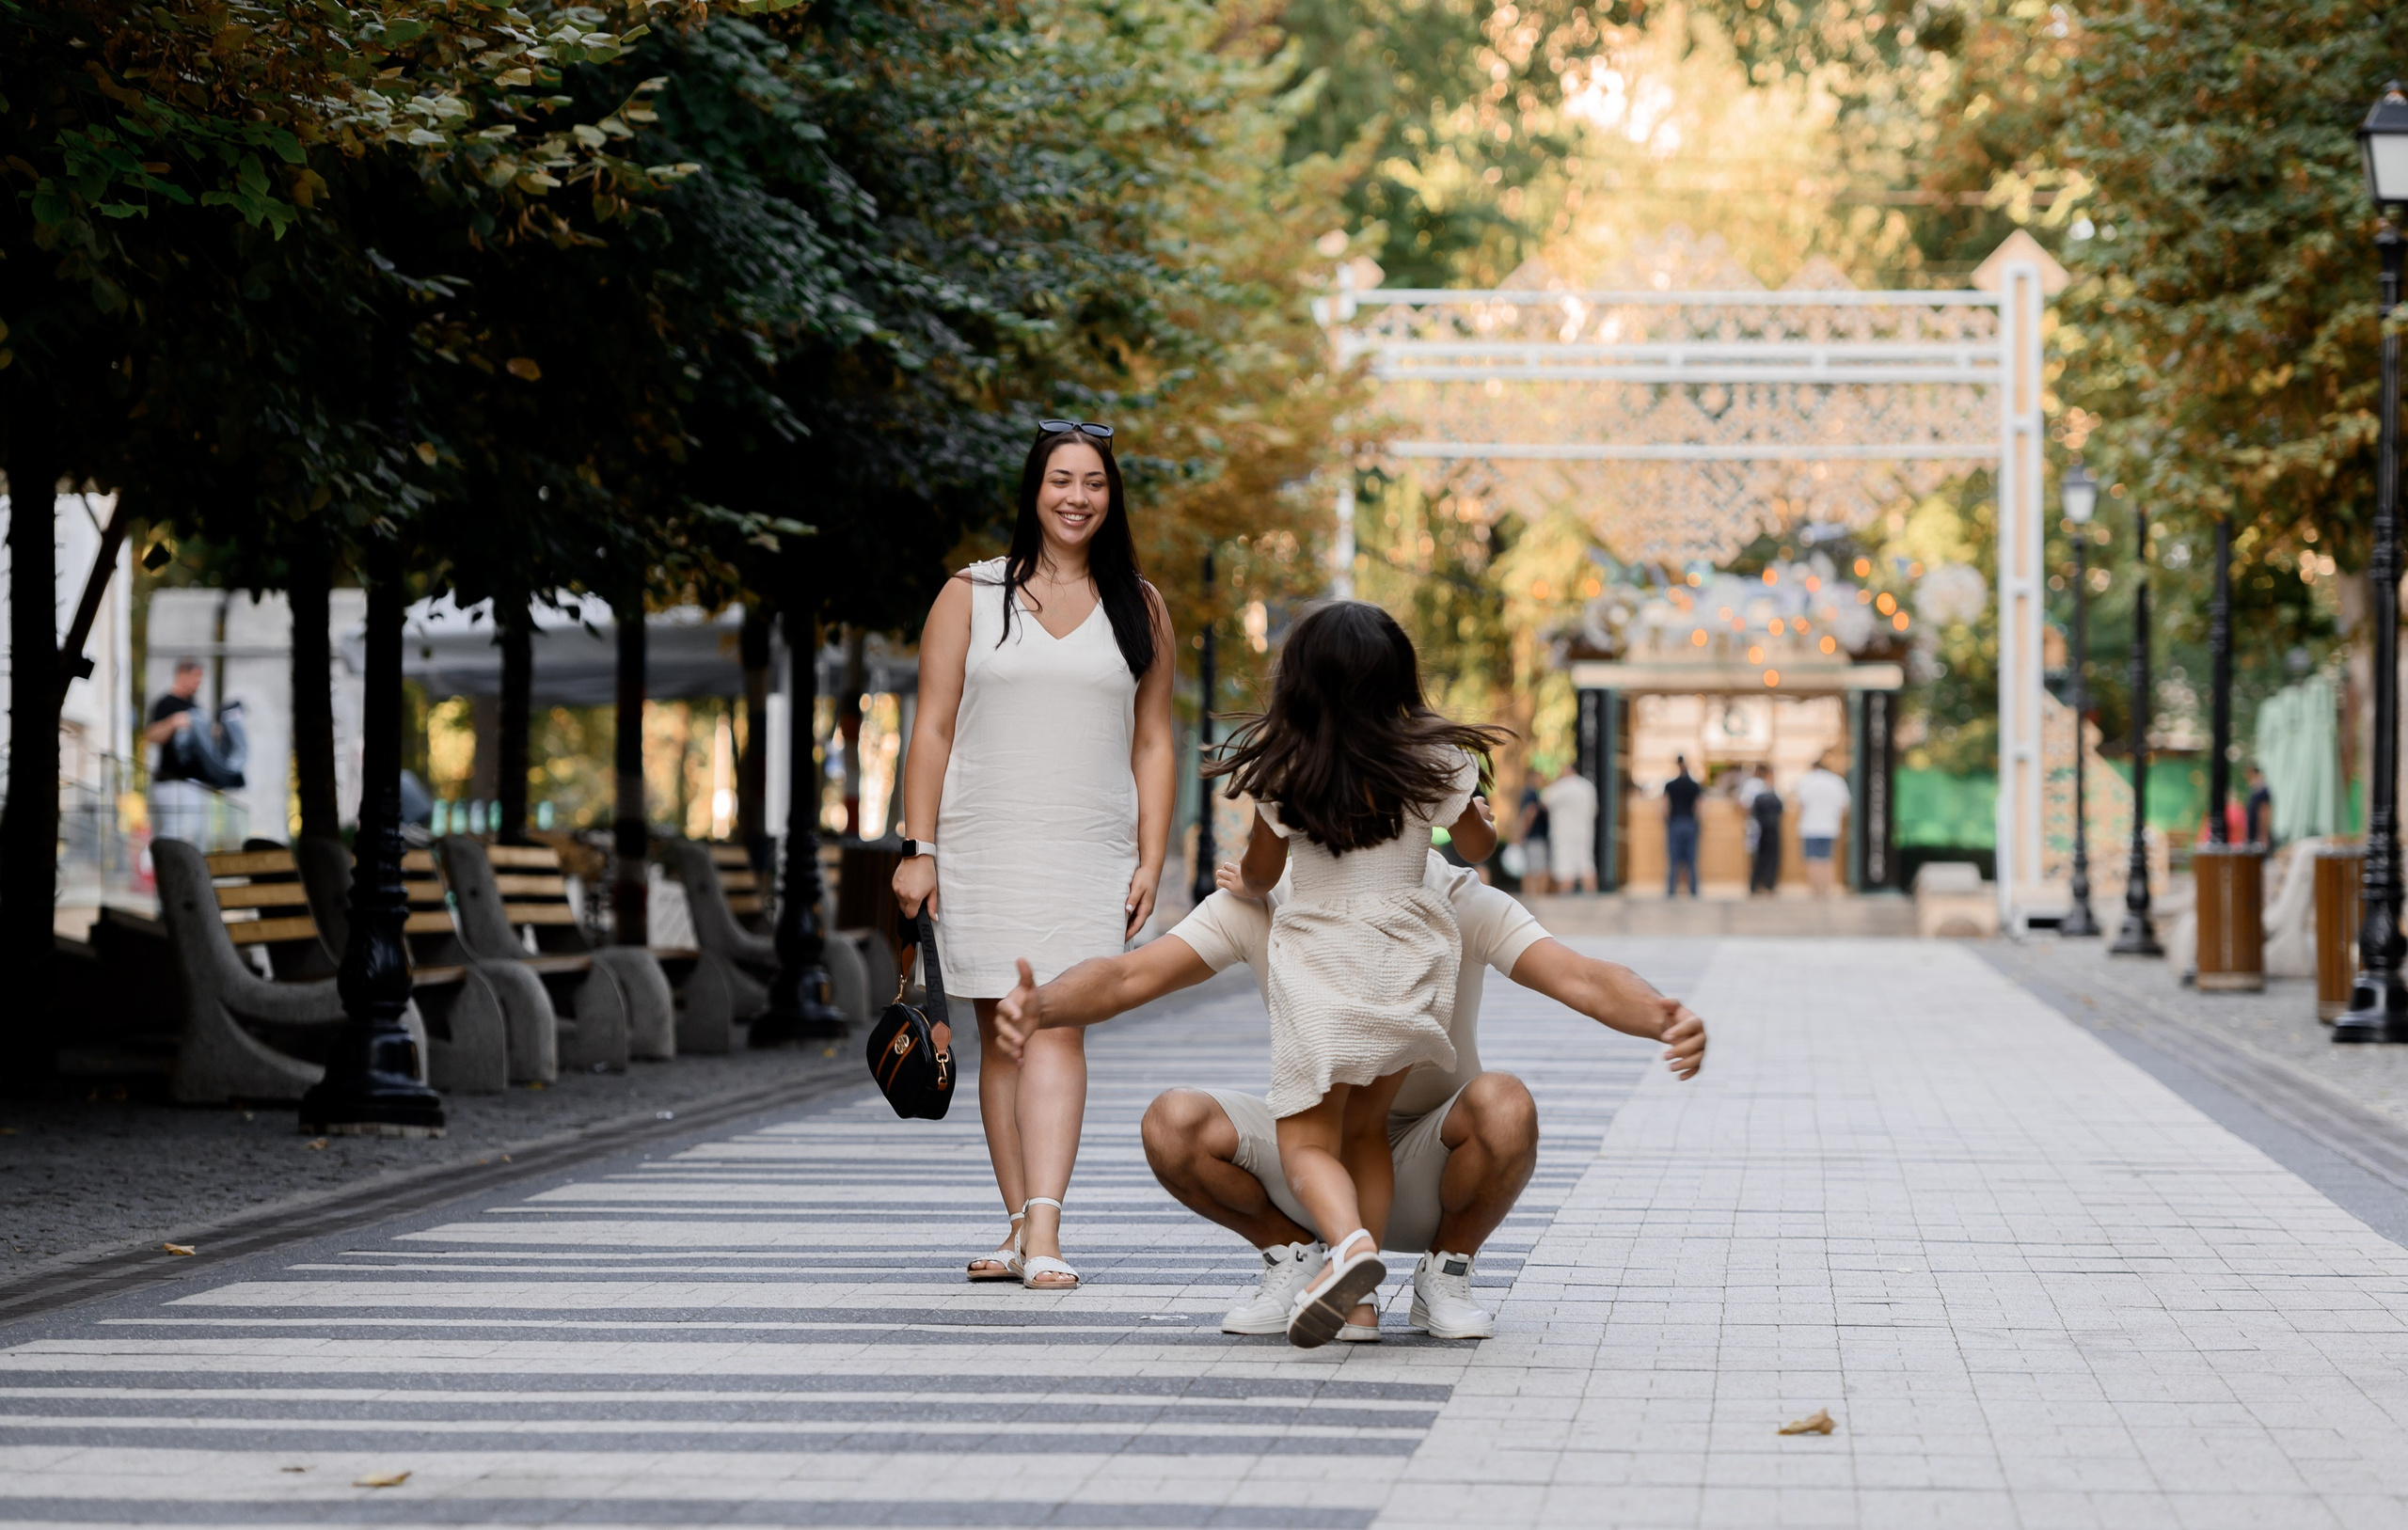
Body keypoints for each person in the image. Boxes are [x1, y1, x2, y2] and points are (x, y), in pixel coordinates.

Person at [991, 849, 1707, 1342]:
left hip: (1430, 1163)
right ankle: (1299, 1256)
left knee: (1506, 1103)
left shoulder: (1454, 896)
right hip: (1311, 1159)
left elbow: (1578, 974)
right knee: (1173, 1122)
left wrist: (1661, 1015)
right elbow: (1129, 976)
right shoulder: (1264, 898)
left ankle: (1446, 1273)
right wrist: (1042, 1004)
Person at [892, 418, 1177, 1292]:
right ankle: (1019, 1225)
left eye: (1094, 482)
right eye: (1062, 480)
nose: (1077, 497)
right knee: (1001, 1037)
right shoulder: (970, 594)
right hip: (982, 844)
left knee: (1056, 1025)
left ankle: (1047, 1227)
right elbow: (931, 728)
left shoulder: (1141, 605)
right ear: (1034, 489)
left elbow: (1154, 741)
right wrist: (918, 848)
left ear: (1111, 496)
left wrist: (1151, 857)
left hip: (1088, 849)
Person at [1200, 600, 1508, 1346]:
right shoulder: (1438, 759)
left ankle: (1348, 1247)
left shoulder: (1286, 764)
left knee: (1308, 1141)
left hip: (1322, 961)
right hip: (1407, 957)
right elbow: (1477, 848)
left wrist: (1242, 880)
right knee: (1366, 1129)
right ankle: (1360, 1308)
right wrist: (1481, 816)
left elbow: (1262, 873)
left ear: (1302, 678)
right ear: (1398, 675)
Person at [146, 657, 249, 844]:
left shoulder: (195, 707)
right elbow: (151, 735)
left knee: (194, 835)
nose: (197, 684)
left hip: (195, 783)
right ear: (181, 675)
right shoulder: (166, 703)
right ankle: (164, 862)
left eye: (199, 680)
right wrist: (174, 722)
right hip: (171, 781)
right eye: (194, 678)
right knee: (172, 833)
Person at [1793, 754, 1852, 898]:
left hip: (1810, 827)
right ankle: (1826, 891)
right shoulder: (1837, 781)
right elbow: (1845, 806)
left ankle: (1816, 891)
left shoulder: (1807, 780)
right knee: (1827, 860)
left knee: (1812, 860)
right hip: (1830, 826)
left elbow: (1799, 803)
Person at [1539, 763, 1599, 895]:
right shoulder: (1587, 787)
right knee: (1586, 863)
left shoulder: (1560, 786)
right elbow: (1593, 810)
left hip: (1563, 833)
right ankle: (1591, 893)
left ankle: (1566, 896)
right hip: (1584, 831)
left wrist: (1553, 783)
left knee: (1565, 866)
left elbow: (1544, 800)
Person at [1662, 755, 1703, 897]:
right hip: (1689, 823)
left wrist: (1667, 822)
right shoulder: (1694, 785)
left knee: (1673, 859)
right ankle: (1694, 890)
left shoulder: (1670, 785)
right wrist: (1697, 824)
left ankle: (1671, 890)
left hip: (1675, 822)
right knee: (1691, 860)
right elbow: (1699, 807)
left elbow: (1664, 807)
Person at [1747, 765, 1784, 895]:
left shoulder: (1764, 790)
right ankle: (1764, 885)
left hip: (1762, 829)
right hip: (1766, 829)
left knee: (1761, 858)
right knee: (1765, 858)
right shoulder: (1758, 787)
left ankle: (1760, 885)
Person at [1515, 779, 1552, 894]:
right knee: (1538, 870)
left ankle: (1531, 895)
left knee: (1531, 869)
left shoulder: (1533, 794)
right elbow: (1530, 812)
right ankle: (1537, 896)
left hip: (1534, 837)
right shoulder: (1532, 794)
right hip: (1535, 837)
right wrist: (1523, 832)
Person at [2245, 765, 2273, 846]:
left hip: (2259, 836)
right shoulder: (2254, 793)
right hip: (2252, 836)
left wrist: (2263, 835)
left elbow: (2265, 814)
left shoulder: (2263, 793)